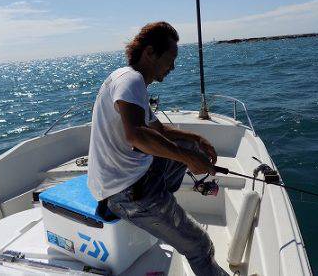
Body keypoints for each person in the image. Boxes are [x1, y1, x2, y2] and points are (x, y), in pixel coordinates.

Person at [87, 22, 229, 275]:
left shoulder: (130, 81)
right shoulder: (130, 81)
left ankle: (164, 206)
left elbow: (158, 131)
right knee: (199, 245)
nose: (172, 67)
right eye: (170, 58)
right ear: (150, 52)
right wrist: (188, 157)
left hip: (129, 178)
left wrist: (196, 140)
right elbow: (136, 135)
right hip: (127, 192)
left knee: (184, 146)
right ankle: (158, 209)